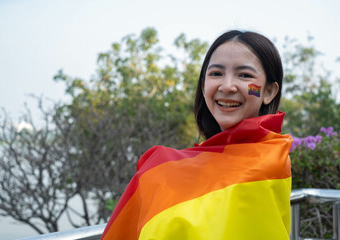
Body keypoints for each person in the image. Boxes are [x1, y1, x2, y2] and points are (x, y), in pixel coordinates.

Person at [101, 30, 292, 240]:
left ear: (268, 92)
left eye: (245, 75)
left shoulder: (269, 160)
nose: (227, 86)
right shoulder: (158, 166)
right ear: (203, 86)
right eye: (216, 74)